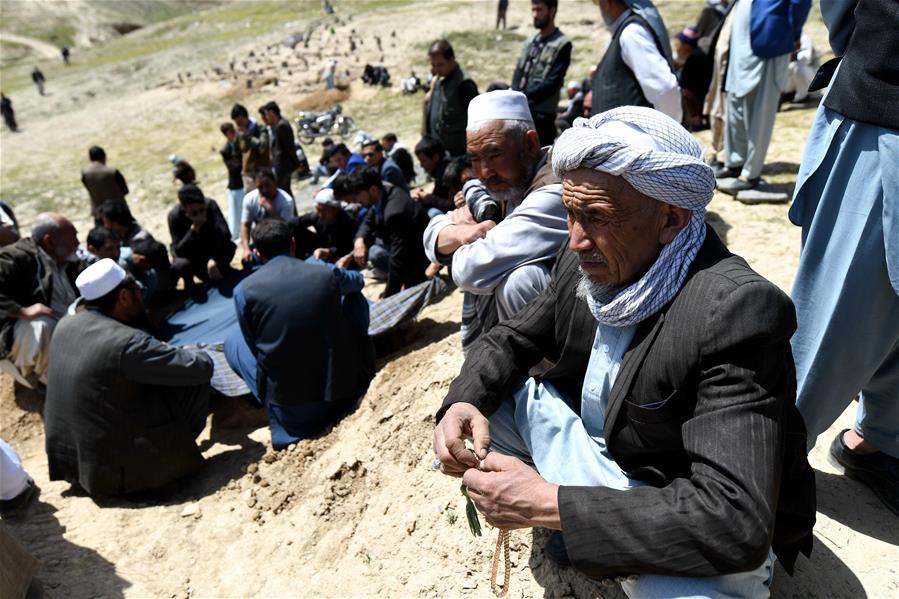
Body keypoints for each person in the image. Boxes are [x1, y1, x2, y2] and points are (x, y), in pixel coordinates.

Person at [433, 107, 815, 596]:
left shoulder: (738, 311)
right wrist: (462, 403)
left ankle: (598, 536)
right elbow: (512, 338)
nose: (575, 239)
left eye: (596, 217)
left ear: (671, 219)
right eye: (571, 213)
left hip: (669, 496)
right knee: (487, 410)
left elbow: (733, 519)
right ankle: (591, 531)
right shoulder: (589, 258)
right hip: (602, 450)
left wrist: (551, 505)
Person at [789, 0, 899, 515]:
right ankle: (747, 471)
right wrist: (875, 57)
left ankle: (876, 441)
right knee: (834, 327)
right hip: (887, 114)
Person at [44, 259, 213, 497]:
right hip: (117, 473)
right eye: (138, 291)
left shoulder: (65, 324)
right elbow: (200, 367)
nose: (141, 297)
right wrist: (185, 350)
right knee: (192, 379)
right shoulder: (128, 343)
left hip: (74, 463)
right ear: (123, 297)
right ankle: (172, 462)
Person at [422, 90, 567, 348]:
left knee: (520, 280)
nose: (485, 172)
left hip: (579, 324)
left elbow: (470, 269)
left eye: (495, 154)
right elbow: (432, 236)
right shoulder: (503, 183)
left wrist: (467, 236)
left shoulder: (554, 189)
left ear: (530, 144)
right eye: (475, 159)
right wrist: (461, 233)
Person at [224, 220, 374, 449]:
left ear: (257, 254)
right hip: (346, 389)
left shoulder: (242, 291)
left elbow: (253, 344)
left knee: (233, 342)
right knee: (354, 297)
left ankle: (269, 402)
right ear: (293, 244)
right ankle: (364, 360)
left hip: (295, 414)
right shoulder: (324, 272)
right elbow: (358, 281)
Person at [715, 0, 811, 194]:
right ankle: (734, 163)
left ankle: (750, 174)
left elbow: (800, 3)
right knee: (736, 103)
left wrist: (791, 33)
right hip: (742, 38)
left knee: (761, 111)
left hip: (770, 40)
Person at [0, 213, 81, 389]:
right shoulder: (15, 257)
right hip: (21, 337)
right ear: (50, 241)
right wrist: (21, 311)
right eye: (73, 237)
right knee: (42, 325)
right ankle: (54, 386)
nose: (77, 242)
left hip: (68, 330)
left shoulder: (69, 259)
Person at [336, 166, 431, 297]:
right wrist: (359, 241)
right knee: (375, 251)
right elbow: (369, 220)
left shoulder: (394, 211)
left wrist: (390, 294)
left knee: (376, 253)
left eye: (358, 195)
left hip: (421, 257)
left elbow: (398, 258)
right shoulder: (384, 192)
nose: (357, 201)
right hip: (407, 248)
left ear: (373, 190)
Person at [590, 0, 681, 122]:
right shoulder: (623, 32)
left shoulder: (631, 33)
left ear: (606, 3)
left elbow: (665, 88)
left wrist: (670, 133)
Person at [511, 0, 572, 146]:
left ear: (552, 11)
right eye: (533, 10)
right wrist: (515, 94)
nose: (535, 15)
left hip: (541, 115)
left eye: (539, 10)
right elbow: (519, 71)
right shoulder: (531, 41)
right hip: (521, 110)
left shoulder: (562, 44)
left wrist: (524, 96)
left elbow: (552, 82)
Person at [168, 183, 236, 288]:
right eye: (194, 213)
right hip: (193, 255)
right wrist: (194, 229)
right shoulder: (175, 216)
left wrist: (214, 259)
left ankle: (222, 269)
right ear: (185, 209)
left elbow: (225, 233)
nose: (200, 215)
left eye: (201, 210)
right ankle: (190, 284)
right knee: (180, 264)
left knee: (229, 247)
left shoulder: (210, 205)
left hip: (212, 249)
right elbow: (178, 250)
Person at [422, 39, 479, 158]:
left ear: (452, 59)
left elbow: (478, 121)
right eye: (433, 65)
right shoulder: (439, 80)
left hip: (458, 156)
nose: (436, 70)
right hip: (439, 154)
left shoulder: (464, 84)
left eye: (440, 65)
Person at [239, 168, 295, 264]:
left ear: (275, 183)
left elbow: (286, 227)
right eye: (260, 187)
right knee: (247, 261)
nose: (264, 190)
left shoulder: (286, 201)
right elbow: (245, 225)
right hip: (261, 242)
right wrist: (246, 249)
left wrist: (270, 209)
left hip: (280, 242)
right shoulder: (249, 199)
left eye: (268, 185)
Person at [289, 188, 357, 262]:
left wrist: (328, 251)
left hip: (338, 252)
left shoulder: (347, 221)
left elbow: (347, 246)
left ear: (335, 209)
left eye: (324, 210)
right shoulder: (317, 217)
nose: (321, 215)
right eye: (318, 210)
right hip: (321, 245)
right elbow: (293, 222)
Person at [675, 26, 714, 130]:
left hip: (697, 103)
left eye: (678, 43)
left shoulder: (693, 59)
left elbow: (686, 87)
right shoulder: (698, 54)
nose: (676, 46)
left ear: (686, 46)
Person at [260, 101, 301, 198]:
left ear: (272, 113)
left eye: (267, 114)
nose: (266, 117)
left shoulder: (282, 126)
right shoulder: (277, 126)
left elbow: (288, 147)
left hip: (283, 166)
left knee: (283, 193)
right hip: (281, 166)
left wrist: (296, 163)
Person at [81, 146, 129, 220]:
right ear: (104, 156)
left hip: (99, 214)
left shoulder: (85, 173)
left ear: (90, 158)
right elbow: (125, 191)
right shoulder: (112, 172)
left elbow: (88, 188)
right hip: (119, 212)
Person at [231, 103, 271, 193]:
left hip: (264, 172)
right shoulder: (239, 133)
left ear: (244, 117)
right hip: (248, 175)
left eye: (239, 122)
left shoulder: (260, 128)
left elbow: (262, 146)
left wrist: (248, 137)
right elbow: (236, 152)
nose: (238, 125)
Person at [411, 136, 452, 217]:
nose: (421, 165)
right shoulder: (440, 171)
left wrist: (429, 198)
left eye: (423, 161)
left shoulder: (449, 175)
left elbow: (453, 206)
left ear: (435, 157)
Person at [219, 122, 245, 240]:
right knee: (236, 210)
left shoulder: (238, 142)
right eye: (230, 132)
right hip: (236, 183)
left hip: (244, 180)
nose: (233, 134)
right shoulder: (226, 149)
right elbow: (234, 167)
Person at [782, 32, 820, 105]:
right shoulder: (779, 38)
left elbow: (806, 58)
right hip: (792, 80)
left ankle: (804, 97)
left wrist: (790, 56)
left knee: (797, 67)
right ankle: (788, 95)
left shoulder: (802, 37)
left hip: (812, 79)